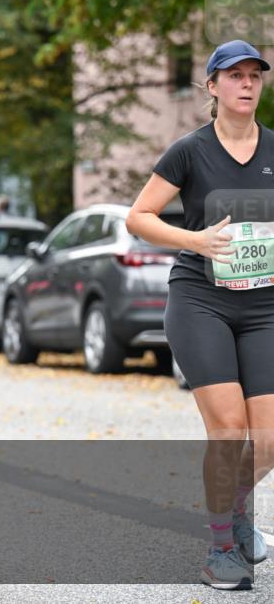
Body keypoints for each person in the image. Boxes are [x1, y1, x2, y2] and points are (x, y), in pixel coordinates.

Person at [126, 39, 272, 590]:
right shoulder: (189, 151)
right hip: (200, 301)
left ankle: (233, 512)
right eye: (234, 75)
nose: (247, 83)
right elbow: (138, 218)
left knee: (270, 439)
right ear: (212, 87)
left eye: (255, 74)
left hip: (265, 307)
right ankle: (220, 550)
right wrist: (196, 240)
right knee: (230, 429)